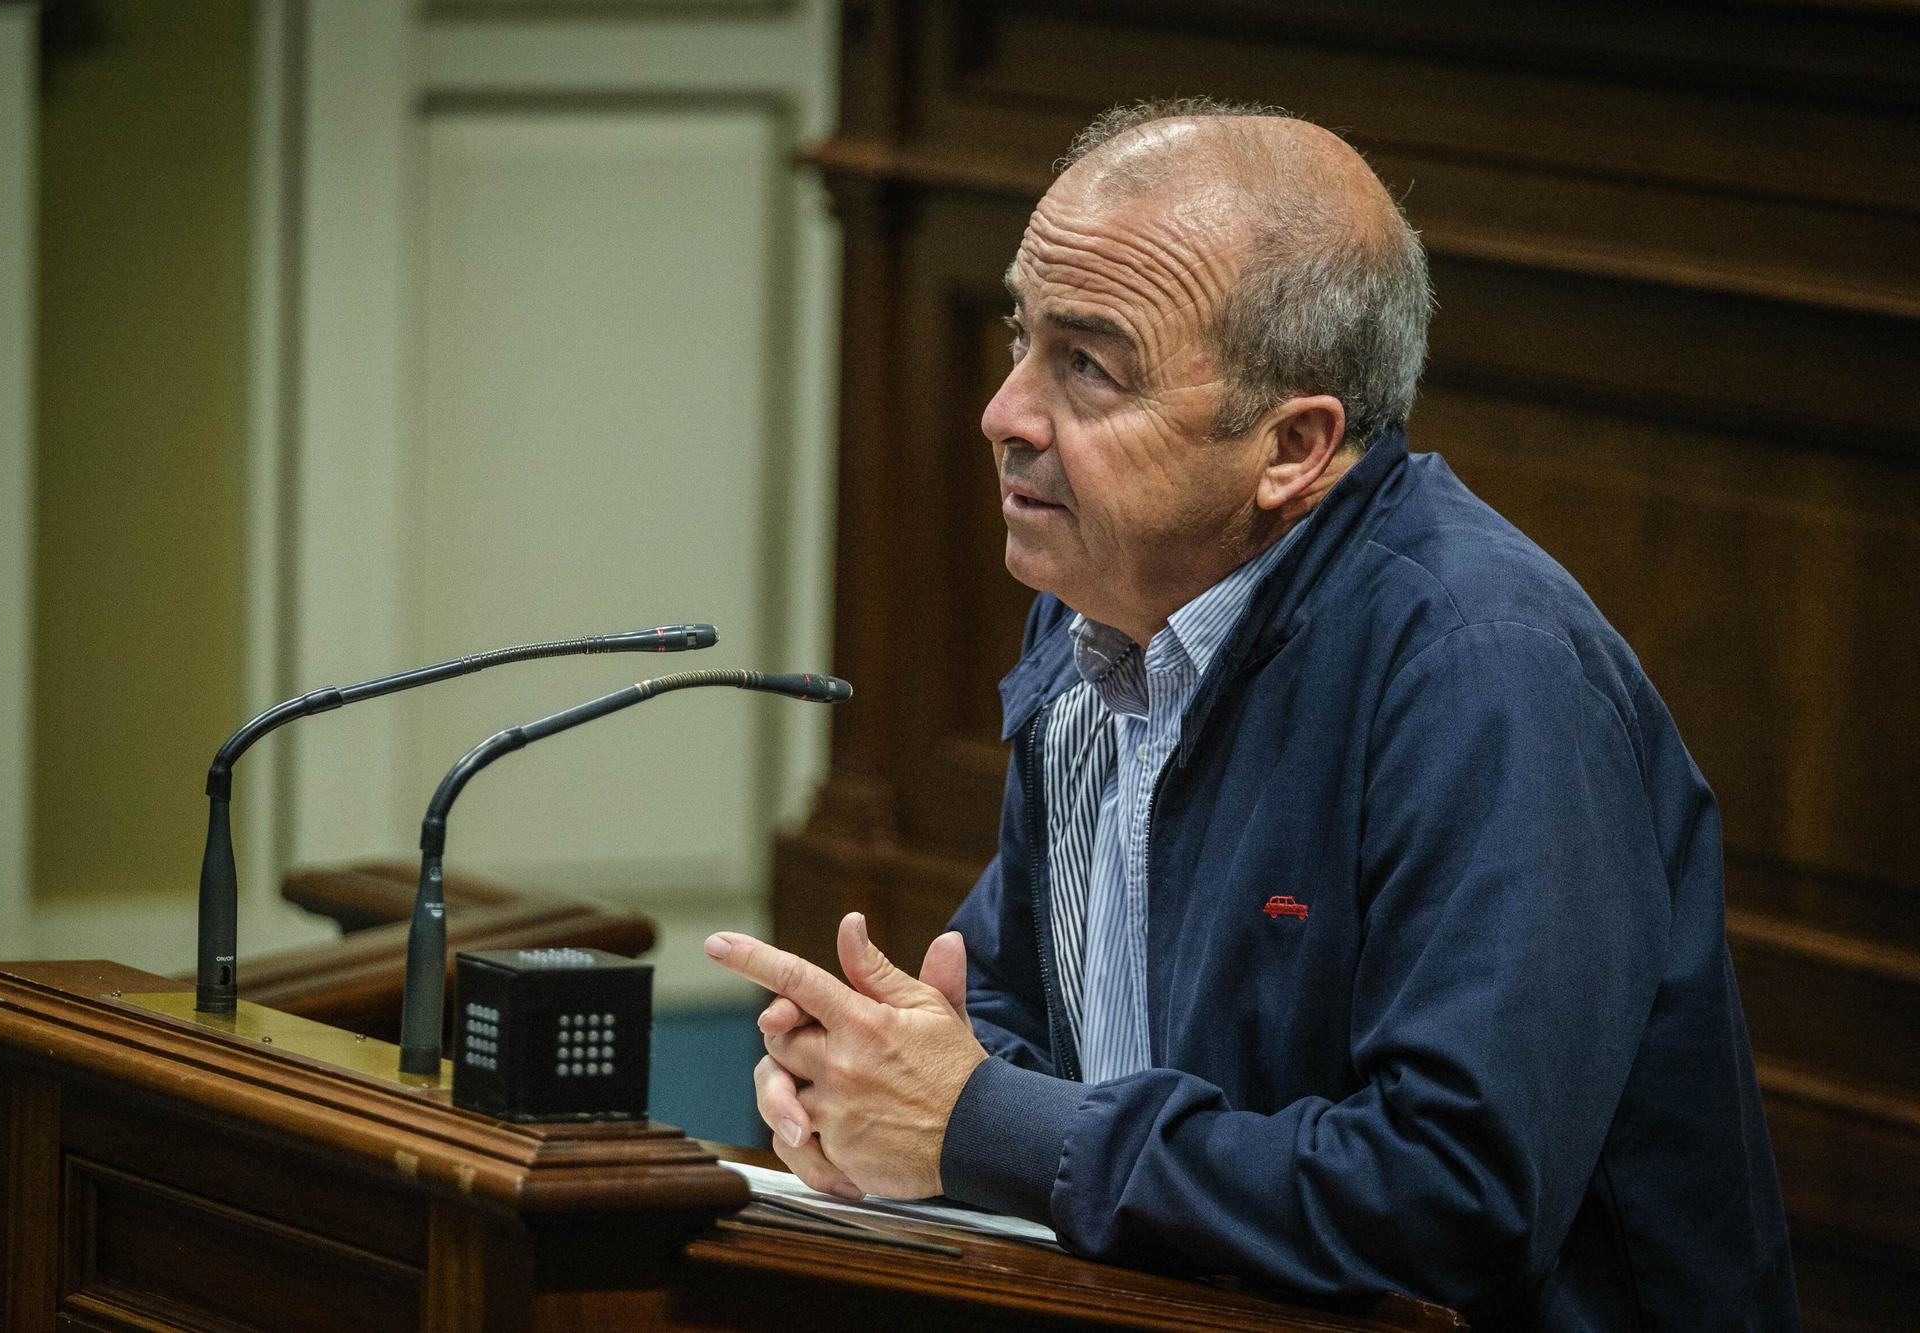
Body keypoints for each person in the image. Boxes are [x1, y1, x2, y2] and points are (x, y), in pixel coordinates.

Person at [704, 98, 1798, 1328]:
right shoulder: (1100, 615)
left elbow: (1447, 1202)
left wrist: (975, 1122)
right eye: (1020, 335)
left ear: (1291, 446)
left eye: (1087, 364)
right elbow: (1033, 1004)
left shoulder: (1487, 678)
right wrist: (879, 1078)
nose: (1002, 413)